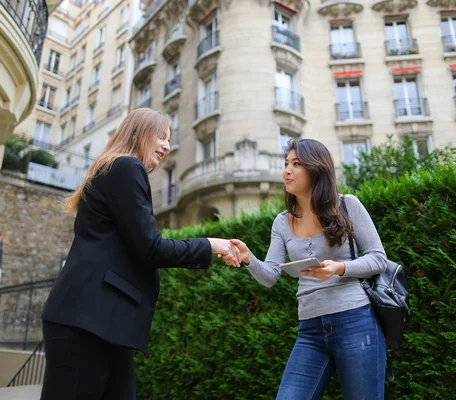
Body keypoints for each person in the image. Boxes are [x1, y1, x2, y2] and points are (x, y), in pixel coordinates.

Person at [40, 108, 240, 400]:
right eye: (160, 136)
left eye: (169, 139)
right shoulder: (125, 167)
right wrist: (210, 244)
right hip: (87, 321)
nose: (167, 146)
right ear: (139, 133)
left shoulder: (114, 169)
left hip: (100, 320)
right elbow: (151, 247)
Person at [230, 138, 388, 400]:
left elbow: (378, 259)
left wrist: (339, 267)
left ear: (316, 169)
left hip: (355, 321)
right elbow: (270, 276)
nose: (287, 170)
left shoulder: (347, 205)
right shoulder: (282, 223)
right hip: (310, 330)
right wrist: (248, 258)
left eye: (296, 164)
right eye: (286, 164)